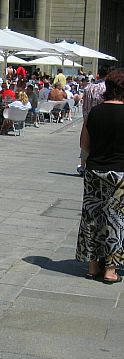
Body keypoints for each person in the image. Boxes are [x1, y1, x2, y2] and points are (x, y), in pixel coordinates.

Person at [76, 69, 124, 284]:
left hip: (95, 171)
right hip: (121, 173)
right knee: (116, 219)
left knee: (92, 217)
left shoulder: (95, 112)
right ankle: (111, 269)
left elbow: (84, 144)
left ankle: (93, 265)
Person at [77, 66, 110, 174]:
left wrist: (85, 117)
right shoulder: (107, 87)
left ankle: (82, 166)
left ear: (98, 74)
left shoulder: (89, 87)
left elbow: (85, 105)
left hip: (88, 118)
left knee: (86, 143)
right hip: (103, 118)